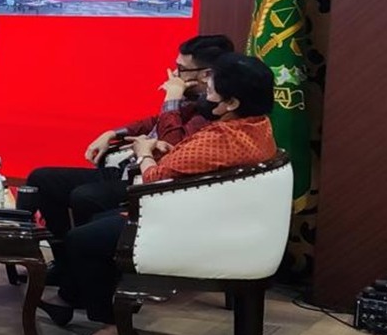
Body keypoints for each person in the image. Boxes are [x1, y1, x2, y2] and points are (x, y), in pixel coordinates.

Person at [39, 52, 279, 335]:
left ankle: (114, 327)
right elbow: (181, 156)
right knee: (95, 221)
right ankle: (72, 298)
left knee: (83, 238)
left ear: (232, 102)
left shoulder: (220, 137)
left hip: (187, 224)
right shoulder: (256, 125)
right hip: (203, 213)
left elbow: (155, 179)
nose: (205, 91)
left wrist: (144, 152)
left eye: (211, 87)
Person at [17, 34, 235, 248]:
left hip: (148, 180)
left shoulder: (214, 109)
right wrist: (112, 133)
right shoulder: (193, 97)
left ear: (206, 74)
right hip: (128, 169)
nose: (174, 74)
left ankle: (79, 256)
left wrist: (172, 98)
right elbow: (155, 121)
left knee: (84, 196)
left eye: (182, 69)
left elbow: (171, 151)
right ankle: (62, 257)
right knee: (41, 178)